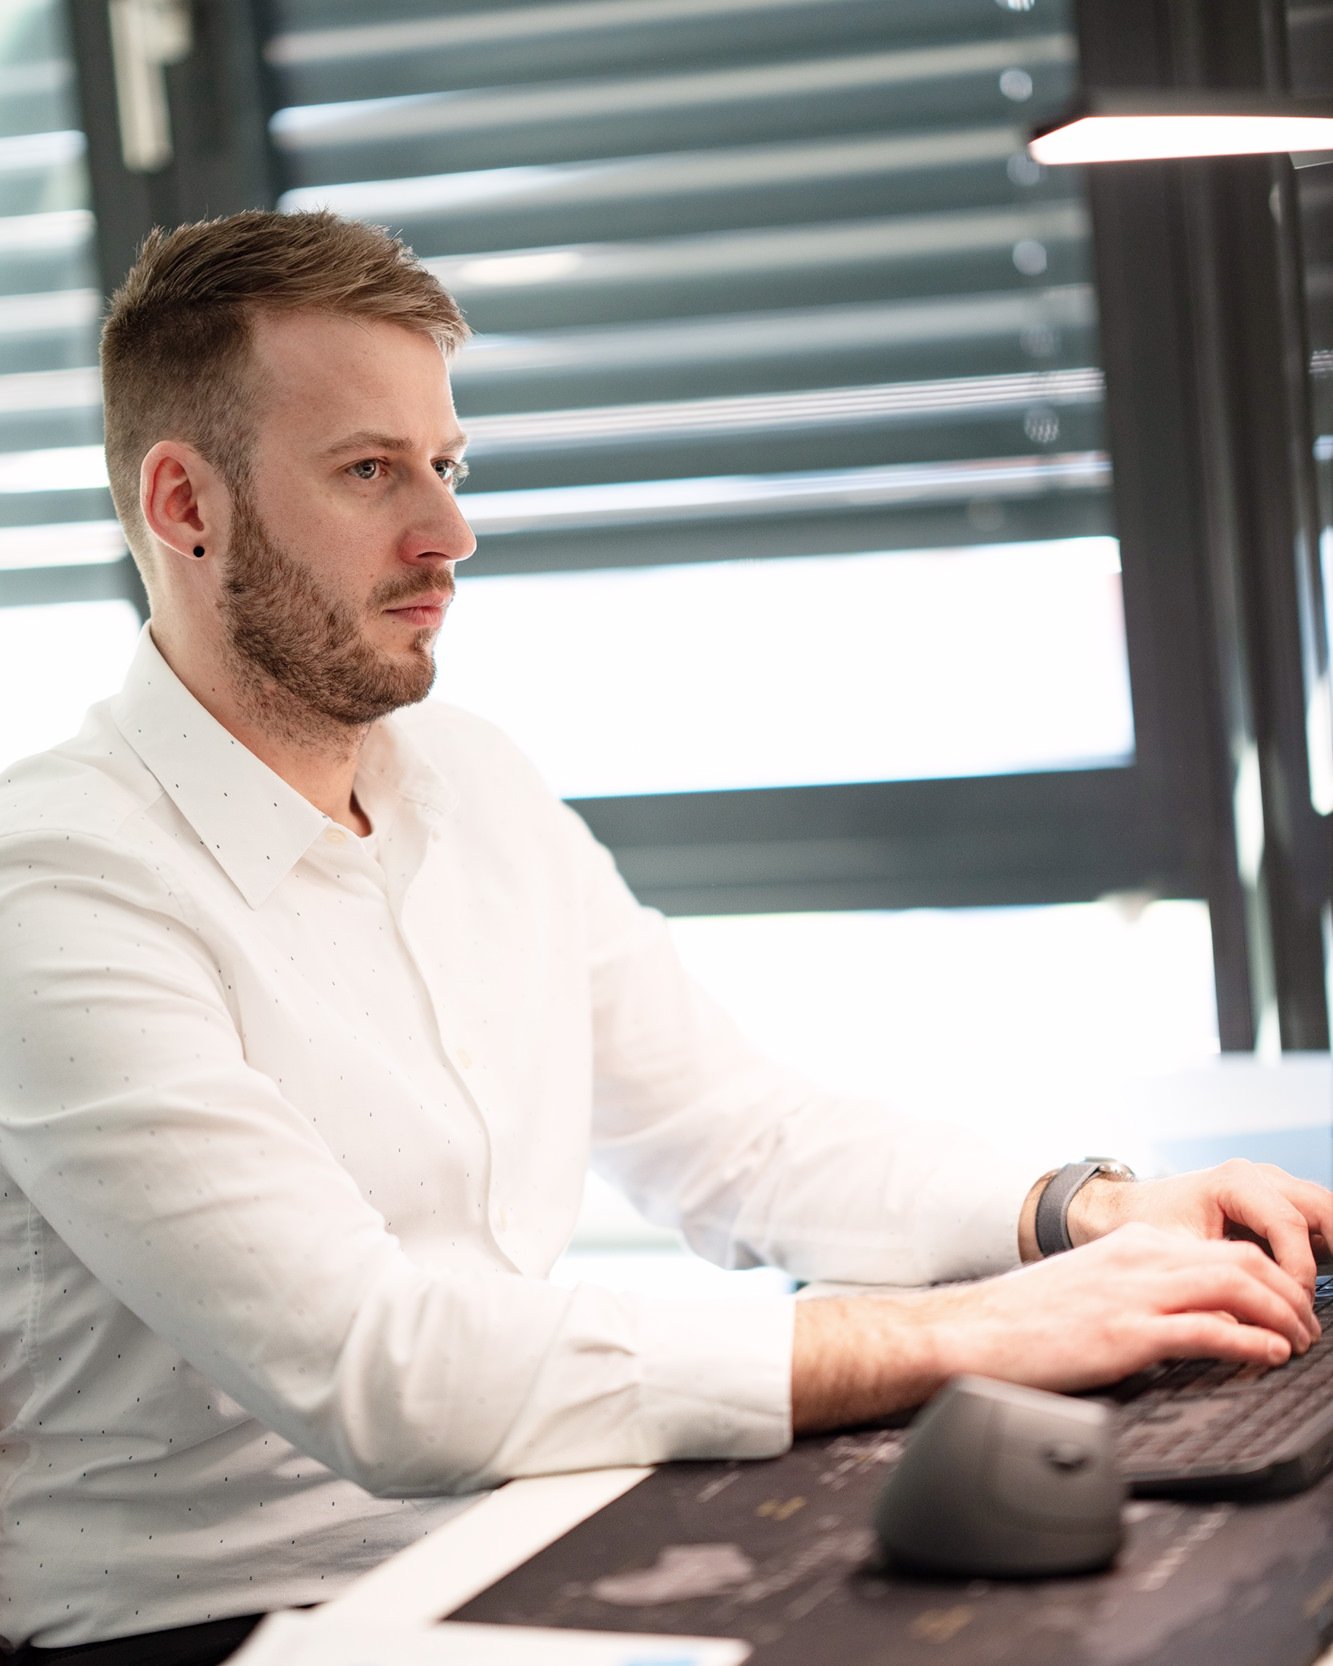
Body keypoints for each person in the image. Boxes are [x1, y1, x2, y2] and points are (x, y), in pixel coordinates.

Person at [0, 210, 1327, 1664]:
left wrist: (1076, 1211)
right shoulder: (55, 888)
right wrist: (965, 1334)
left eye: (447, 466)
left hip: (524, 1543)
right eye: (370, 470)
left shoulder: (472, 781)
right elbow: (384, 1375)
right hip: (214, 1621)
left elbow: (734, 1136)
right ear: (185, 505)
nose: (449, 532)